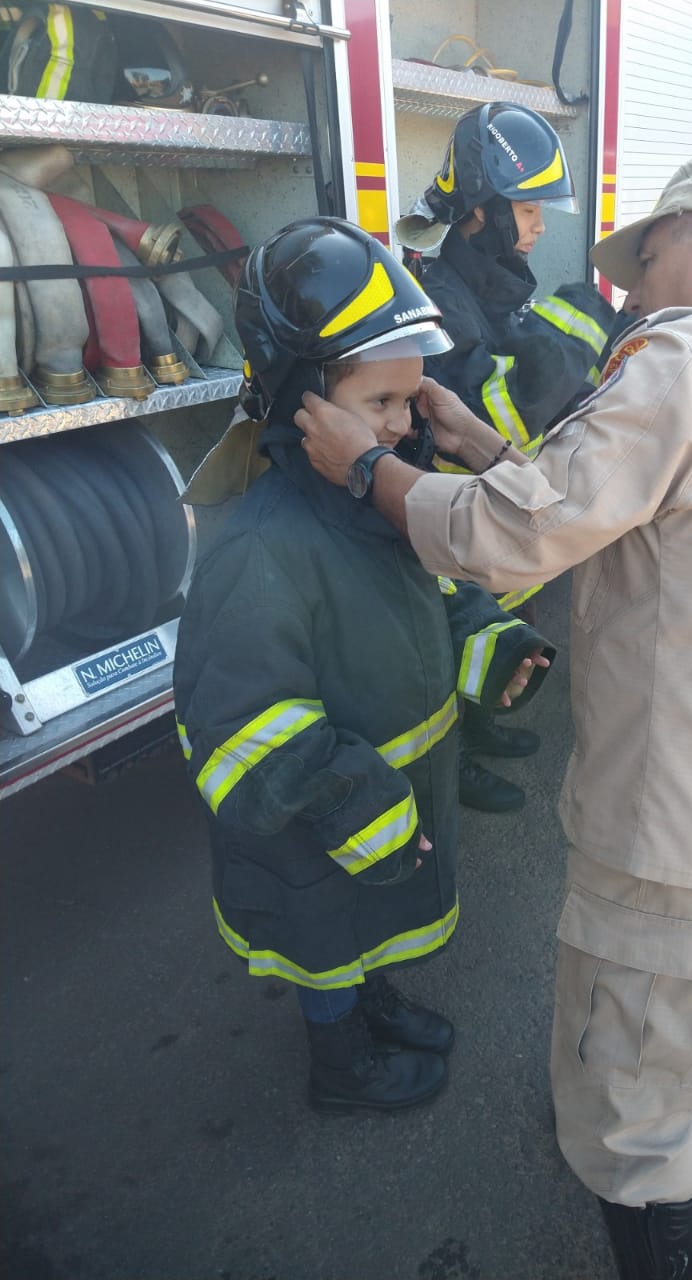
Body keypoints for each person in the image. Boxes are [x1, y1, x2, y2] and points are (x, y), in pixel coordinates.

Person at [295, 148, 692, 1277]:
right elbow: (626, 509)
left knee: (633, 1104)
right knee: (653, 1032)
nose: (632, 292)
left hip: (679, 824)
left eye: (647, 260)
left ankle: (645, 1207)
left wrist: (365, 469)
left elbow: (513, 538)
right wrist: (471, 439)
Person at [172, 217, 553, 1116]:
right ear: (302, 402)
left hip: (376, 808)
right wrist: (355, 802)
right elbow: (243, 730)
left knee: (358, 927)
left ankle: (367, 996)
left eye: (411, 401)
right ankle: (341, 1063)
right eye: (380, 402)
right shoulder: (262, 550)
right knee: (322, 939)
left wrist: (491, 643)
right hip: (314, 824)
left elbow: (419, 602)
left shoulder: (367, 506)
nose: (403, 426)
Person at [396, 100, 616, 814]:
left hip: (488, 510)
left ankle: (481, 723)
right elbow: (496, 414)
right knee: (446, 643)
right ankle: (452, 759)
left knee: (488, 623)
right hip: (447, 515)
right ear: (481, 210)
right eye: (527, 210)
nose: (540, 226)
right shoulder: (438, 298)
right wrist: (577, 332)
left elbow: (536, 378)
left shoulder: (491, 281)